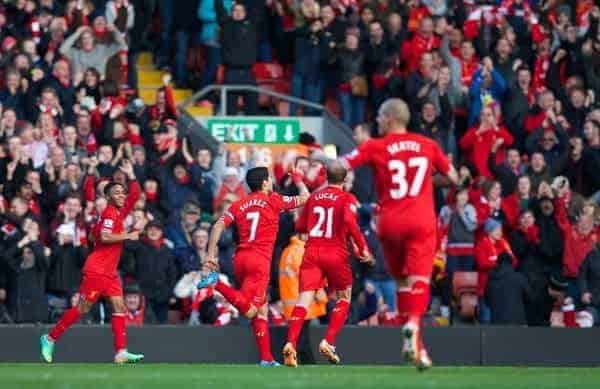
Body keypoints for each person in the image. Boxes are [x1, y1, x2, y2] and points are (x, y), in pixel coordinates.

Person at [341, 98, 459, 370]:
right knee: (420, 281)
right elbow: (453, 177)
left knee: (402, 282)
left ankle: (418, 349)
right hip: (421, 221)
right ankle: (413, 325)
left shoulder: (376, 146)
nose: (378, 121)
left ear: (391, 118)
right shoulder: (428, 145)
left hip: (390, 223)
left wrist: (320, 160)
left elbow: (345, 164)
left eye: (381, 116)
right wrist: (428, 183)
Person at [196, 167, 309, 366]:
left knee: (261, 310)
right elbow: (305, 197)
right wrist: (299, 180)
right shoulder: (274, 200)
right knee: (250, 310)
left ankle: (266, 359)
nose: (272, 182)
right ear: (264, 183)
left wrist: (210, 255)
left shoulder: (239, 204)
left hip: (240, 259)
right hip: (259, 261)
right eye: (270, 179)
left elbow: (217, 226)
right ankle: (216, 283)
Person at [40, 160, 144, 364]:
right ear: (107, 197)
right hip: (97, 270)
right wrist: (128, 236)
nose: (122, 195)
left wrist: (131, 175)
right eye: (117, 193)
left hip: (110, 272)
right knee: (82, 308)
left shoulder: (117, 213)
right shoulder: (108, 214)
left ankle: (121, 351)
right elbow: (104, 237)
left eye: (122, 192)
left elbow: (134, 196)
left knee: (118, 306)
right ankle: (50, 338)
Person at [282, 160, 373, 367]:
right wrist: (363, 247)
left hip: (312, 253)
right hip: (335, 253)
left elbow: (300, 225)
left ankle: (290, 343)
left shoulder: (314, 198)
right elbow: (350, 223)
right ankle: (329, 341)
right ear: (345, 178)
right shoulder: (346, 197)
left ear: (325, 176)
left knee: (304, 300)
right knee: (344, 297)